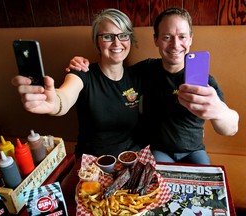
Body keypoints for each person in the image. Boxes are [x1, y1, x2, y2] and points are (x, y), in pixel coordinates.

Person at [66, 7, 239, 164]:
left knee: (205, 191)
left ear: (191, 39)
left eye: (182, 37)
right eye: (166, 37)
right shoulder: (145, 71)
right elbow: (112, 75)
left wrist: (219, 111)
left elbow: (230, 128)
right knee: (156, 187)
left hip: (194, 150)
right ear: (156, 40)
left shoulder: (205, 80)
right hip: (158, 150)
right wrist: (79, 64)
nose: (175, 45)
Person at [11, 9, 143, 159]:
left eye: (123, 35)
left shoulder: (137, 76)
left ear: (130, 40)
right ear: (97, 42)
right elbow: (65, 96)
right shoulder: (82, 73)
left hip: (130, 157)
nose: (117, 43)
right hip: (91, 162)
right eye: (107, 36)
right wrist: (54, 103)